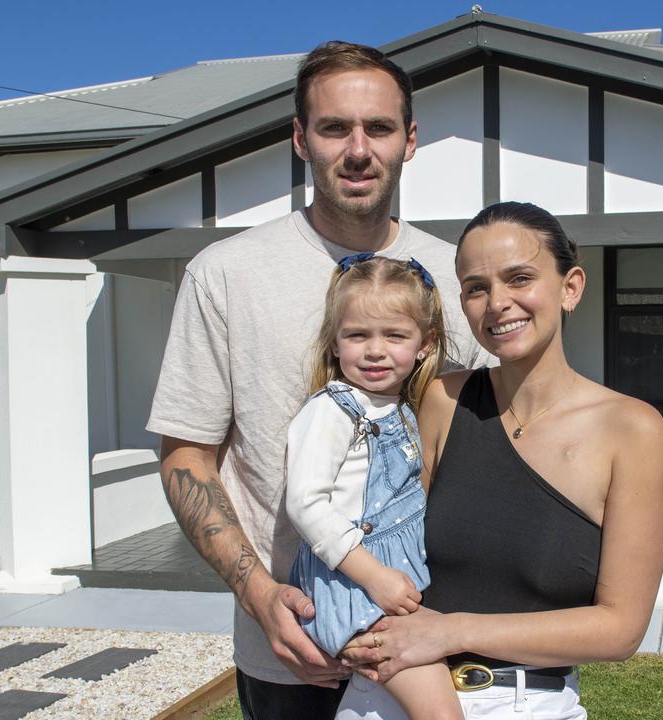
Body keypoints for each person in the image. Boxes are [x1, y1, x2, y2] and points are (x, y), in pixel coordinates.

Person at [147, 42, 487, 719]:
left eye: (380, 128)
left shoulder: (458, 275)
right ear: (301, 139)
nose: (358, 149)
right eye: (335, 128)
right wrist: (259, 596)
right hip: (294, 651)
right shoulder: (227, 274)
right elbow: (187, 456)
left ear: (409, 140)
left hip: (432, 630)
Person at [334, 202, 663, 719]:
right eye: (476, 287)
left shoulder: (630, 430)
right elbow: (378, 536)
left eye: (520, 278)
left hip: (528, 703)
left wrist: (452, 631)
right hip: (391, 695)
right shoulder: (442, 401)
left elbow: (621, 628)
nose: (497, 303)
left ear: (571, 287)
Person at [286, 255, 463, 720]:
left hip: (387, 588)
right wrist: (374, 576)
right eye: (358, 335)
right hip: (357, 590)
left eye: (395, 335)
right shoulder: (331, 410)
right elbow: (305, 505)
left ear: (425, 345)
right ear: (335, 342)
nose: (375, 350)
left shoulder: (399, 408)